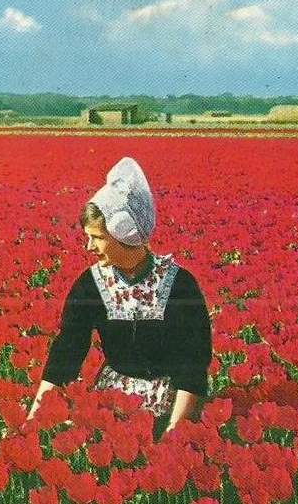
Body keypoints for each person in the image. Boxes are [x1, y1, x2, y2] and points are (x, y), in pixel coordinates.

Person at [27, 157, 212, 436]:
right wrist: (34, 420)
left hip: (169, 408)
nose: (89, 247)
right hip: (110, 406)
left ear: (124, 234)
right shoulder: (90, 284)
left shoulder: (179, 285)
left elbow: (193, 364)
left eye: (97, 237)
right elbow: (67, 352)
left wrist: (175, 434)